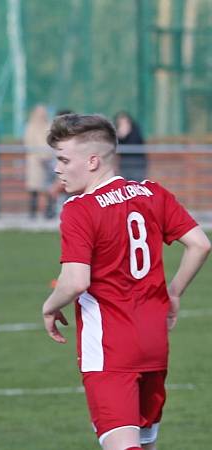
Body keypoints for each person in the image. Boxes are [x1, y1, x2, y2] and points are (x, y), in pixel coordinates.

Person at [41, 114, 210, 450]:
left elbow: (76, 281)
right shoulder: (152, 193)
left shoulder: (80, 209)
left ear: (92, 161)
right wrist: (173, 292)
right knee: (145, 444)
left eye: (63, 159)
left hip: (110, 349)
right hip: (154, 344)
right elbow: (201, 244)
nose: (57, 169)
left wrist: (48, 306)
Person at [24, 105, 55, 219]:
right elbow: (29, 144)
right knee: (34, 188)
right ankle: (32, 213)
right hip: (35, 162)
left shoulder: (49, 126)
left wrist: (48, 155)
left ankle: (49, 212)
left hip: (48, 160)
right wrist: (39, 155)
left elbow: (52, 142)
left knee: (49, 187)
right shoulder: (30, 127)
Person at [114, 111, 147, 181]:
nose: (123, 125)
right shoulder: (117, 133)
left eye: (125, 122)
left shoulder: (135, 130)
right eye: (120, 123)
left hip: (138, 163)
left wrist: (126, 133)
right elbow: (116, 144)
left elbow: (136, 142)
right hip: (125, 164)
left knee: (138, 184)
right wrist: (120, 136)